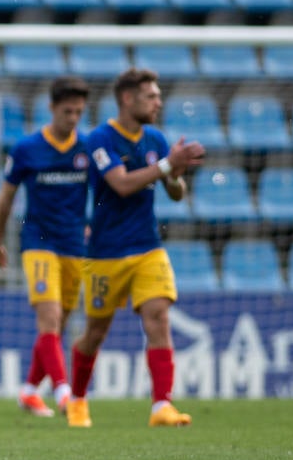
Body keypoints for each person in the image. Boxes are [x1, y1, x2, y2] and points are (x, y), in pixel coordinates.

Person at [66, 68, 205, 428]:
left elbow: (176, 194)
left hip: (147, 247)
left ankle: (162, 406)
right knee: (95, 333)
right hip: (105, 253)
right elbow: (122, 184)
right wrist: (165, 166)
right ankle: (78, 400)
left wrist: (174, 175)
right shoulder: (100, 139)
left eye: (158, 96)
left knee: (158, 317)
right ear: (128, 99)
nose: (158, 102)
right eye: (151, 96)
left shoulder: (156, 139)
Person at [0, 76, 91, 418]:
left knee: (59, 326)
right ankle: (66, 395)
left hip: (74, 244)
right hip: (38, 242)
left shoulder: (87, 148)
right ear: (51, 108)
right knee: (50, 319)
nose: (73, 118)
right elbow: (5, 199)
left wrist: (96, 223)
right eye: (67, 111)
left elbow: (105, 194)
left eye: (78, 112)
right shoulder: (27, 149)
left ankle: (30, 391)